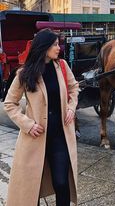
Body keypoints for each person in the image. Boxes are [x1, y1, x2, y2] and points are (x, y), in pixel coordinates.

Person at [4, 29, 79, 206]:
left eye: (58, 43)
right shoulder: (24, 74)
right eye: (54, 44)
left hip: (60, 135)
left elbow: (74, 88)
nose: (59, 47)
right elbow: (9, 103)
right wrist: (27, 124)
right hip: (35, 138)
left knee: (62, 183)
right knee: (32, 188)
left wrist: (71, 107)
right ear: (44, 47)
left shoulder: (61, 66)